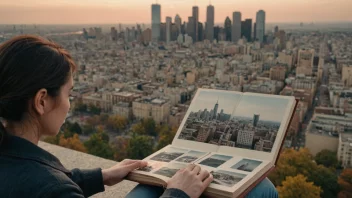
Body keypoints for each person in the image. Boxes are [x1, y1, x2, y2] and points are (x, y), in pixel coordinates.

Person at [0, 35, 278, 198]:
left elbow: (41, 181)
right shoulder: (52, 188)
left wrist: (103, 175)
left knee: (150, 186)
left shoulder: (12, 156)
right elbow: (50, 187)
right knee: (262, 188)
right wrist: (178, 194)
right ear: (41, 101)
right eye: (69, 94)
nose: (70, 105)